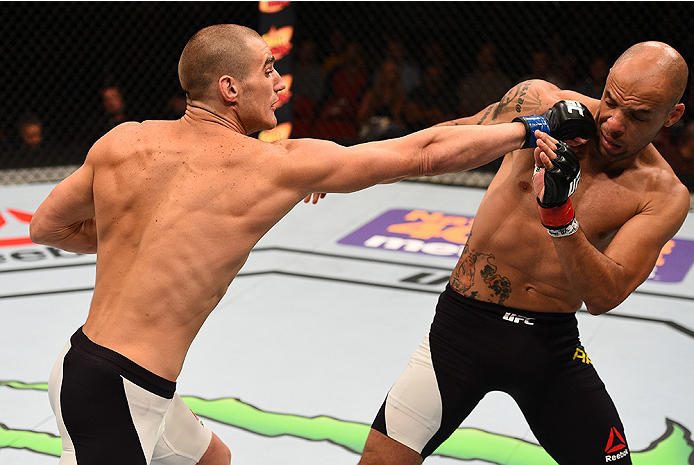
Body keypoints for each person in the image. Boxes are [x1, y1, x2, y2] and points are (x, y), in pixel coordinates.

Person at [29, 24, 559, 465]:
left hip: (102, 370)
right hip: (114, 393)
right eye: (267, 70)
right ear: (230, 88)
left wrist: (141, 233)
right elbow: (422, 153)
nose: (280, 82)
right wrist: (527, 130)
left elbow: (47, 228)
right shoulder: (275, 168)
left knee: (214, 460)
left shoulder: (123, 140)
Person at [359, 41, 689, 465]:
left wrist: (559, 217)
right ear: (606, 83)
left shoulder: (662, 193)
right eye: (611, 102)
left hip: (549, 347)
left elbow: (606, 294)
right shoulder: (538, 102)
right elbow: (439, 144)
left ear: (673, 115)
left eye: (639, 116)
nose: (614, 124)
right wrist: (346, 167)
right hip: (461, 332)